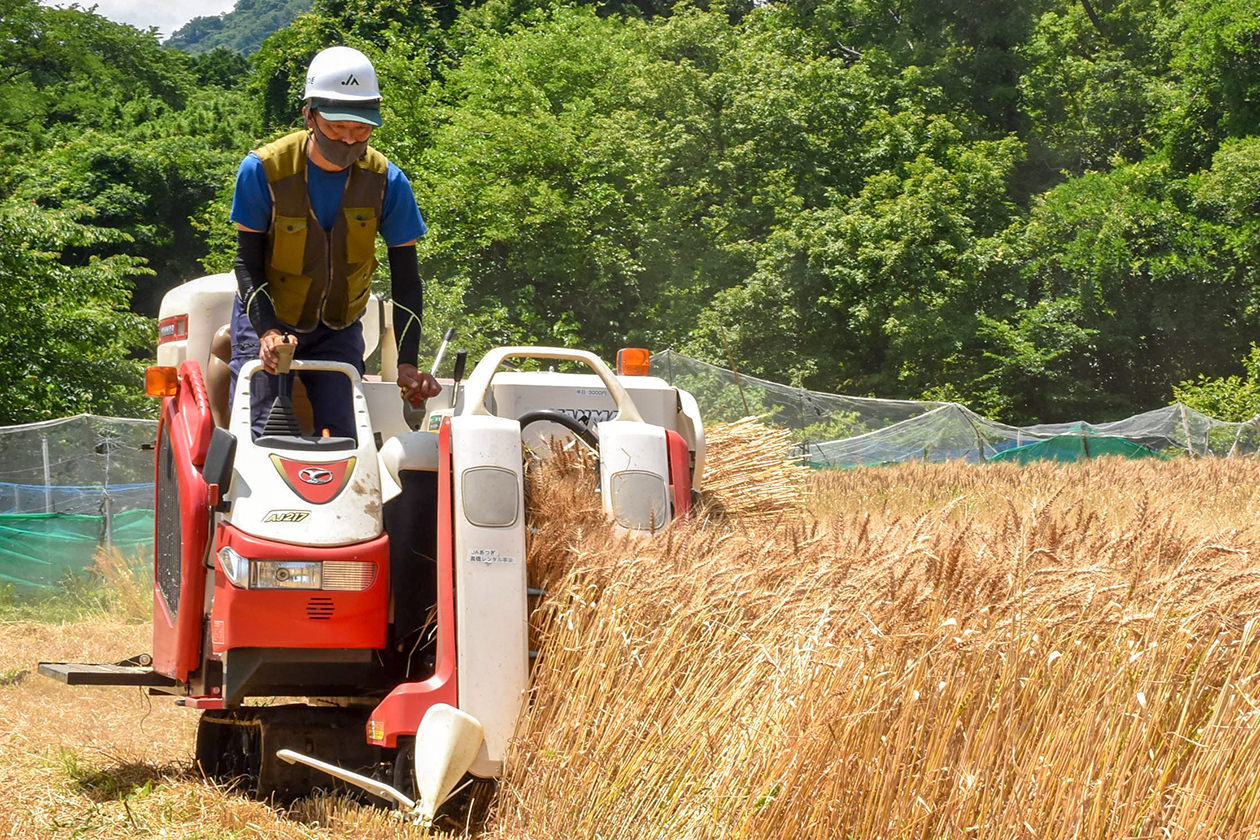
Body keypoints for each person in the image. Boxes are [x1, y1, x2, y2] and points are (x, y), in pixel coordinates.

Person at [228, 45, 441, 439]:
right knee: (261, 434)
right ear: (310, 116)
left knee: (346, 437)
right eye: (335, 127)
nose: (347, 140)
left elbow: (407, 281)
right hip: (268, 317)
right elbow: (246, 262)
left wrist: (407, 363)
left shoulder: (387, 181)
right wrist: (268, 332)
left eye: (360, 129)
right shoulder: (263, 169)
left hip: (338, 328)